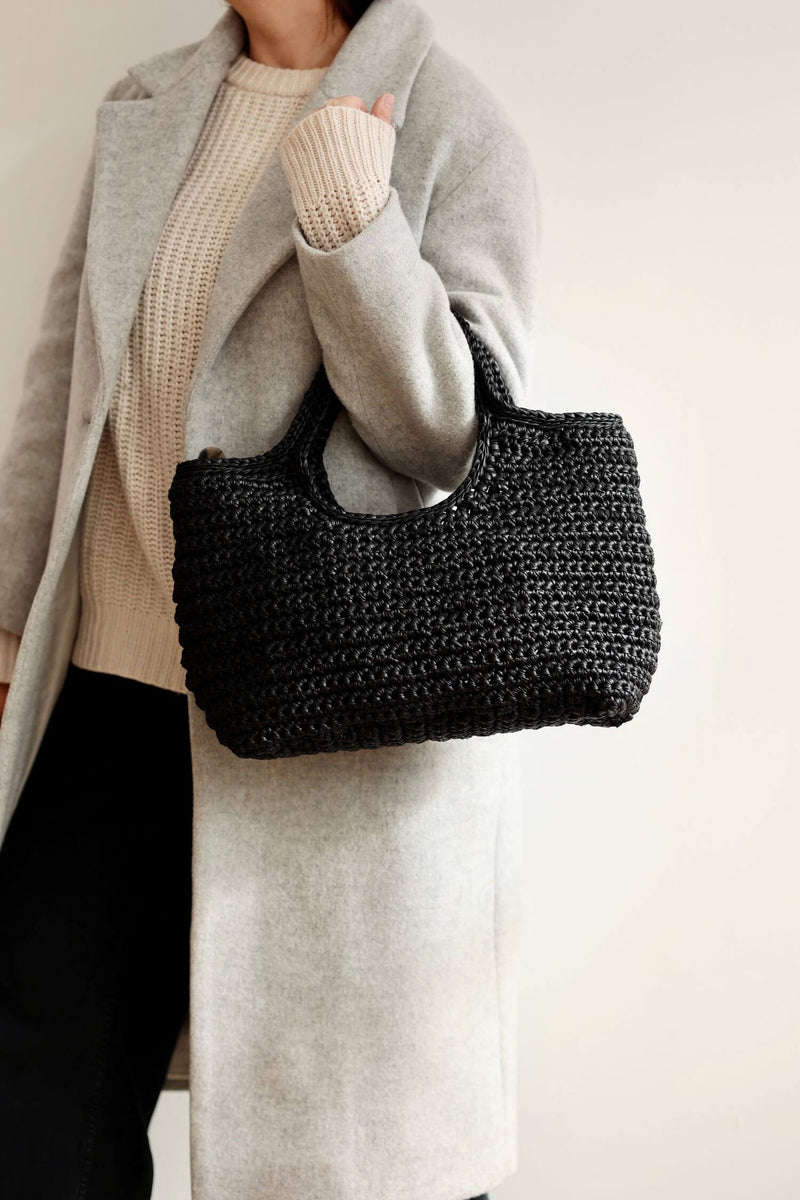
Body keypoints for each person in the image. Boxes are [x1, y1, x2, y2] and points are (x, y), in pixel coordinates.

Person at [0, 0, 539, 1196]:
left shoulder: (455, 125)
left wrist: (351, 218)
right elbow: (64, 387)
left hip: (315, 725)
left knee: (333, 1155)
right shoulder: (147, 102)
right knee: (33, 1112)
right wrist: (7, 619)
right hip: (106, 698)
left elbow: (453, 437)